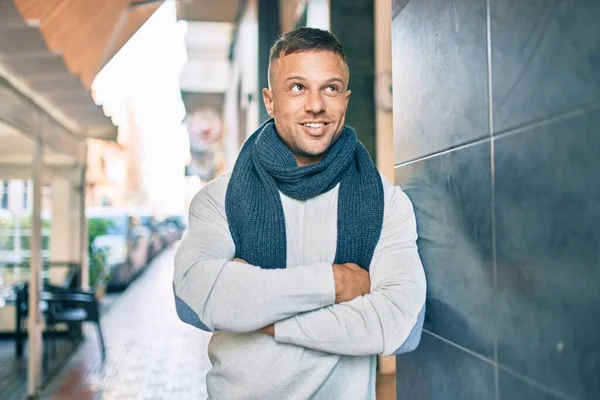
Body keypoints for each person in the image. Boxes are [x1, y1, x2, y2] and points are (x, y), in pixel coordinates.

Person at [173, 27, 426, 400]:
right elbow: (196, 296)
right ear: (270, 100)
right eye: (297, 87)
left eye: (330, 88)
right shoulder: (220, 198)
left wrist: (261, 315)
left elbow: (399, 326)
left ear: (345, 98)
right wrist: (335, 284)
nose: (316, 105)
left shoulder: (385, 202)